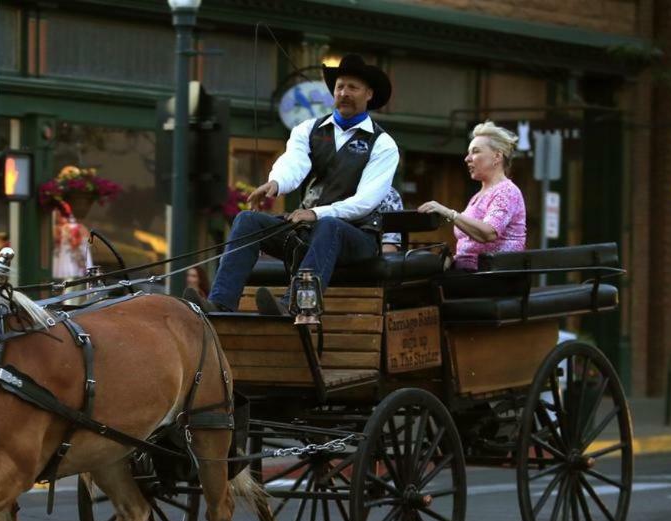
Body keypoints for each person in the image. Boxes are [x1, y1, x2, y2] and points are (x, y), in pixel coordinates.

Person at [185, 54, 399, 322]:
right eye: (339, 87)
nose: (344, 93)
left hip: (358, 239)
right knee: (247, 220)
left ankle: (294, 304)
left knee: (329, 225)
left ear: (369, 94)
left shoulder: (383, 144)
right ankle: (220, 304)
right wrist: (276, 182)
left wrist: (317, 213)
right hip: (308, 233)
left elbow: (366, 201)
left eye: (352, 88)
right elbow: (293, 163)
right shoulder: (308, 129)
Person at [417, 121, 526, 271]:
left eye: (475, 151)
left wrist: (450, 213)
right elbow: (469, 246)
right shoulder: (478, 196)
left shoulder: (506, 191)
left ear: (497, 157)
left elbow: (488, 233)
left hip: (493, 276)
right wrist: (452, 259)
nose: (467, 158)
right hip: (469, 273)